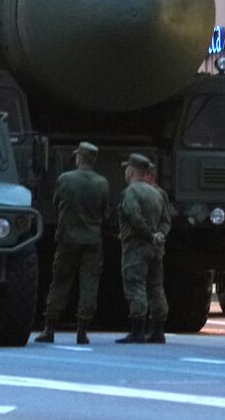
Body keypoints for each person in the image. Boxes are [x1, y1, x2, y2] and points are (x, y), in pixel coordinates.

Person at [35, 142, 109, 345]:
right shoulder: (102, 183)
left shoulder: (65, 179)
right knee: (89, 284)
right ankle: (82, 331)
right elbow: (103, 210)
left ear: (79, 158)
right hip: (92, 240)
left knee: (60, 282)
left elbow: (56, 204)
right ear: (93, 160)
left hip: (67, 239)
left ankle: (49, 328)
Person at [116, 153, 173, 344]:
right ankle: (158, 330)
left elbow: (134, 216)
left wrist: (148, 235)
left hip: (137, 246)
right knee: (156, 286)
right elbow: (166, 220)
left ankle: (138, 330)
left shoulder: (131, 192)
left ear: (131, 171)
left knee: (135, 284)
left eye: (127, 169)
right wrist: (159, 236)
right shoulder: (157, 193)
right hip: (156, 249)